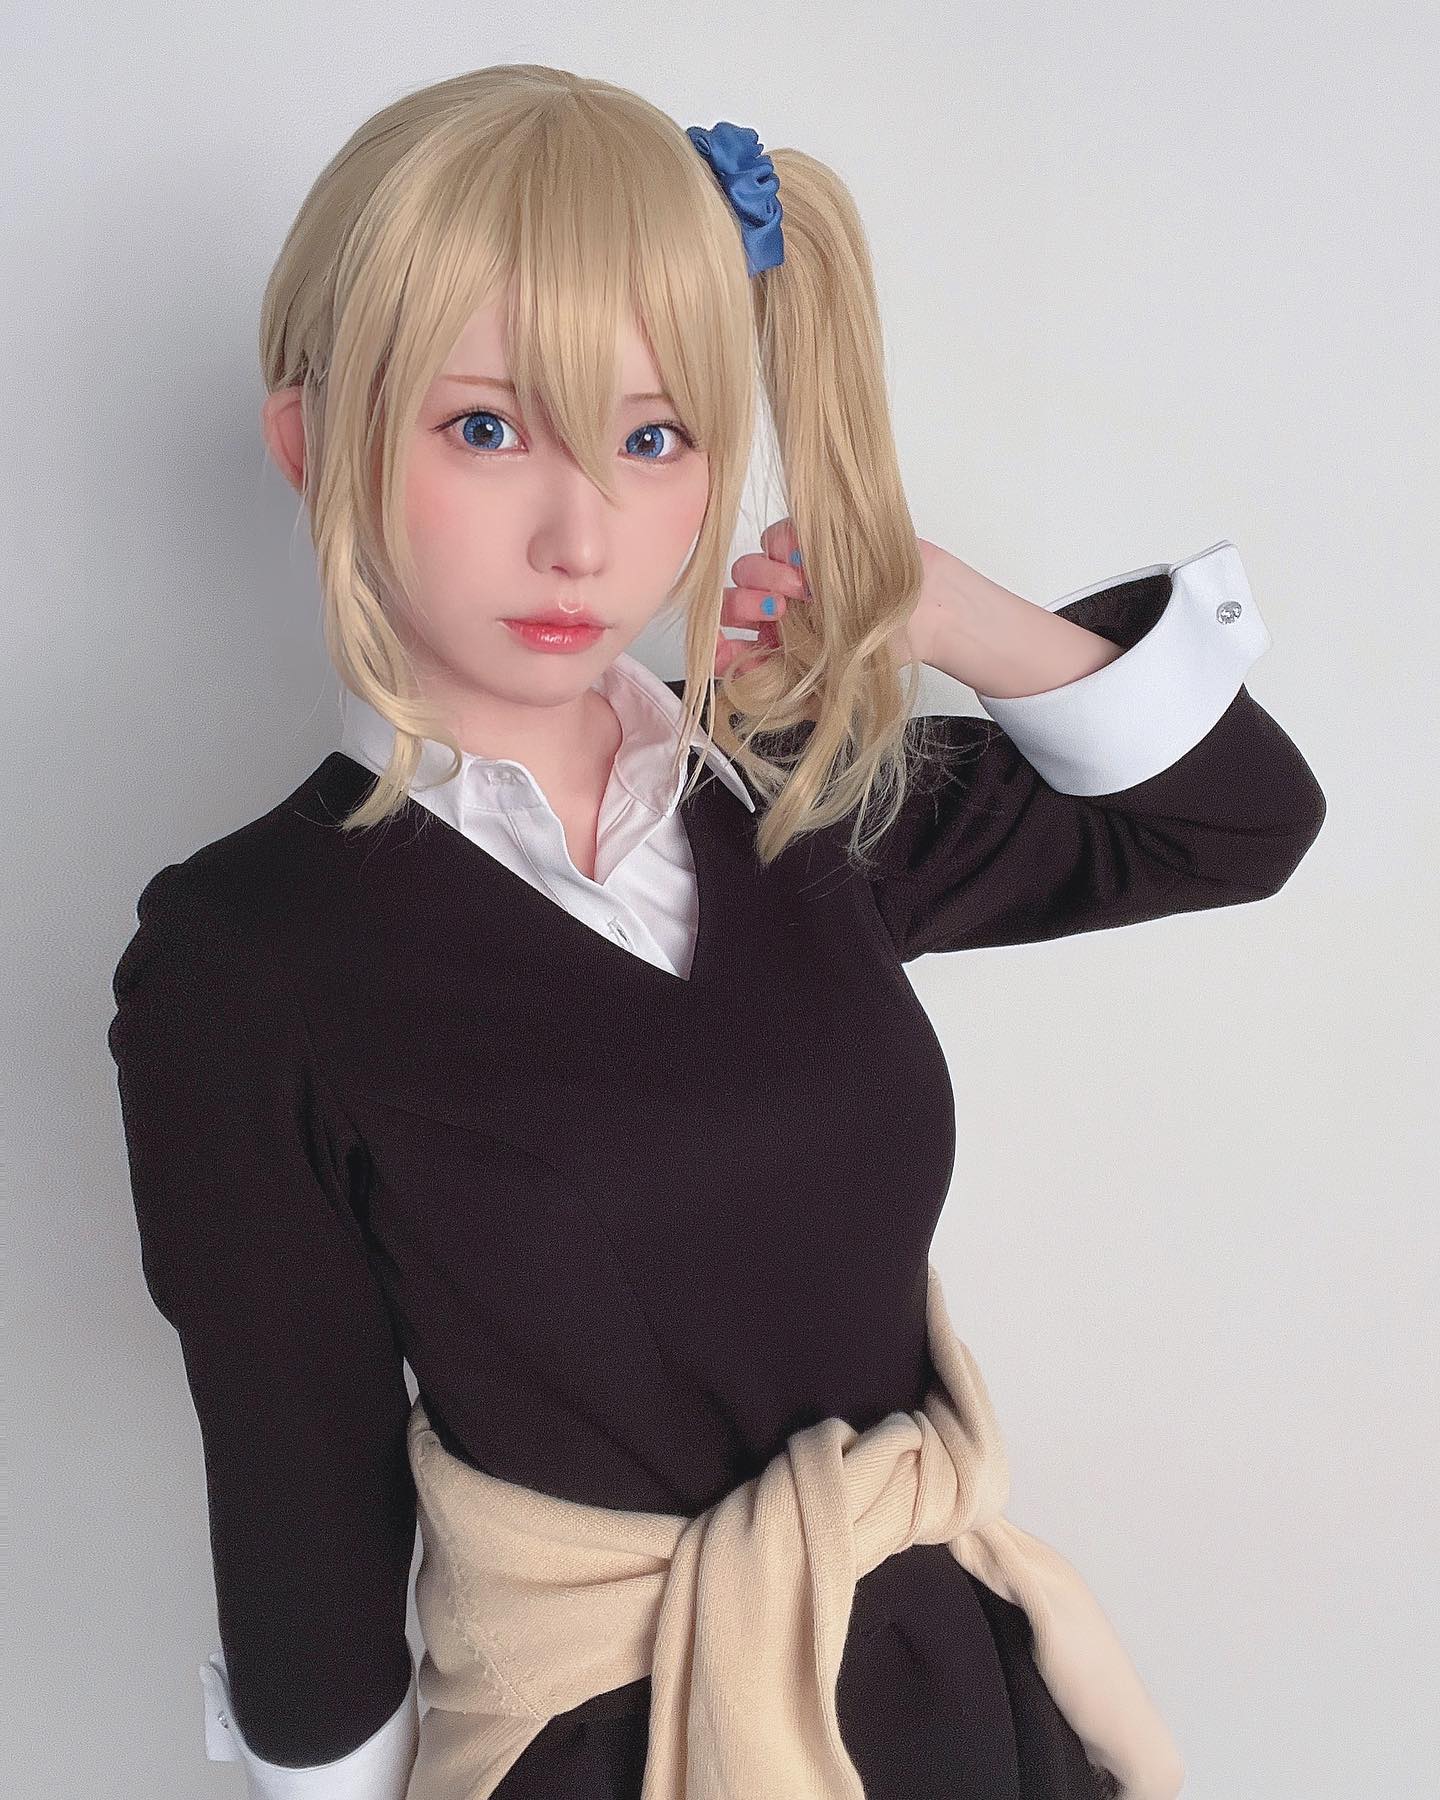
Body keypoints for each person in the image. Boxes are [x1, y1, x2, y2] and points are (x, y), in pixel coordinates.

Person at [106, 63, 1326, 1800]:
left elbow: (1236, 823)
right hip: (607, 1747)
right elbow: (301, 1498)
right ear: (310, 445)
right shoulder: (246, 955)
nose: (581, 533)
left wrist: (933, 608)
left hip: (961, 1706)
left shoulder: (796, 792)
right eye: (485, 430)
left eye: (653, 438)